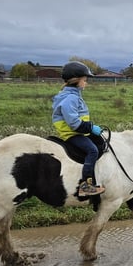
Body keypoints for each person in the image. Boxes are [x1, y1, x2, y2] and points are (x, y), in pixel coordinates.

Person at [51, 61, 106, 198]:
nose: (86, 83)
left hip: (77, 132)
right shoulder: (70, 98)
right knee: (92, 150)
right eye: (85, 80)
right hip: (72, 134)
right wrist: (91, 128)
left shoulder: (73, 95)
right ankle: (85, 186)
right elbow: (74, 123)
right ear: (76, 80)